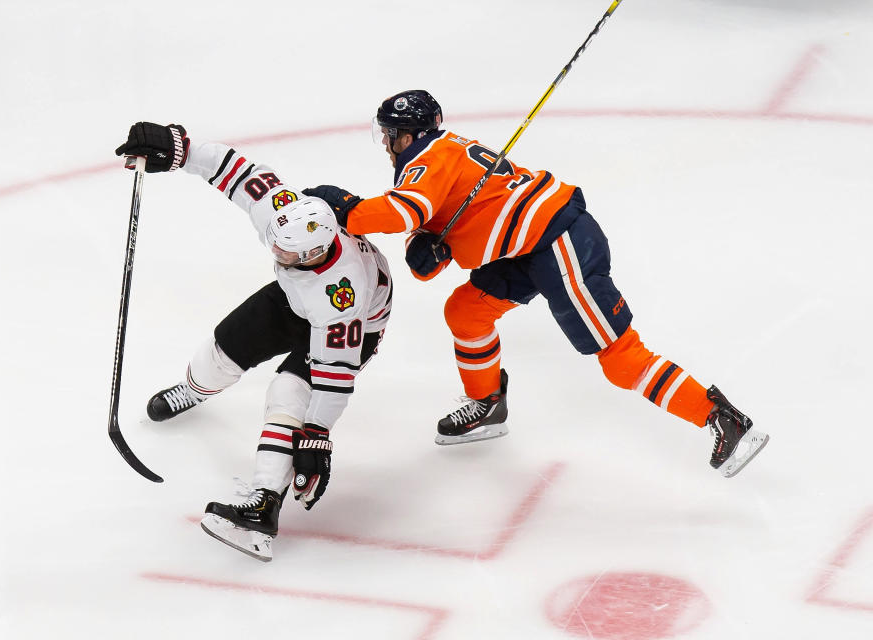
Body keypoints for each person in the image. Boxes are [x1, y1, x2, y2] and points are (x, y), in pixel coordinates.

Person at [303, 89, 768, 477]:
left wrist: (347, 209)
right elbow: (428, 238)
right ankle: (488, 404)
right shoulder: (442, 156)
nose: (385, 144)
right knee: (466, 311)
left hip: (558, 242)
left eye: (387, 135)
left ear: (403, 136)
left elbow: (400, 210)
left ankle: (723, 419)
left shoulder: (429, 160)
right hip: (525, 249)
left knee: (619, 358)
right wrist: (427, 249)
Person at [114, 122, 393, 560]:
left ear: (313, 254)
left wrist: (317, 433)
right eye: (276, 246)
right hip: (294, 299)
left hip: (349, 328)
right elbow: (237, 171)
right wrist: (180, 149)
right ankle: (195, 390)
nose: (275, 253)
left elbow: (334, 377)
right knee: (216, 357)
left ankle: (263, 503)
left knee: (288, 394)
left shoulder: (342, 294)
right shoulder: (286, 213)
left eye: (285, 253)